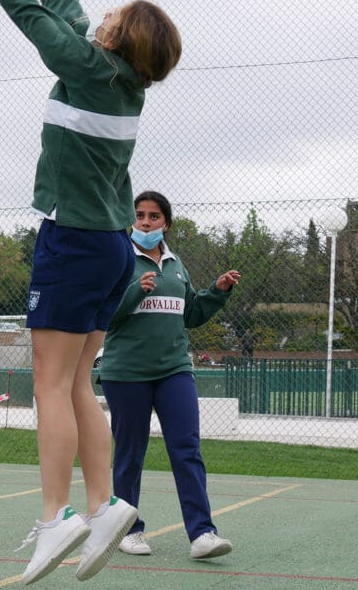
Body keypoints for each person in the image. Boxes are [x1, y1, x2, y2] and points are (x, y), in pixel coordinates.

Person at [0, 0, 180, 583]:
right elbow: (70, 22)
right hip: (110, 251)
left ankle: (55, 518)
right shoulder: (121, 80)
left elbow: (38, 23)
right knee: (77, 386)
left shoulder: (86, 65)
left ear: (118, 38)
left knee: (49, 386)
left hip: (70, 243)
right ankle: (103, 507)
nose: (99, 16)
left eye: (112, 15)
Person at [100, 191, 240, 560]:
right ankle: (128, 530)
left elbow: (191, 314)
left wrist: (218, 292)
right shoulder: (118, 260)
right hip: (126, 373)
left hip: (175, 370)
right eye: (140, 216)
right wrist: (134, 292)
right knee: (130, 453)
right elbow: (103, 317)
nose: (145, 223)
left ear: (167, 222)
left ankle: (203, 534)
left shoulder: (177, 265)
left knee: (187, 449)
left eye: (154, 217)